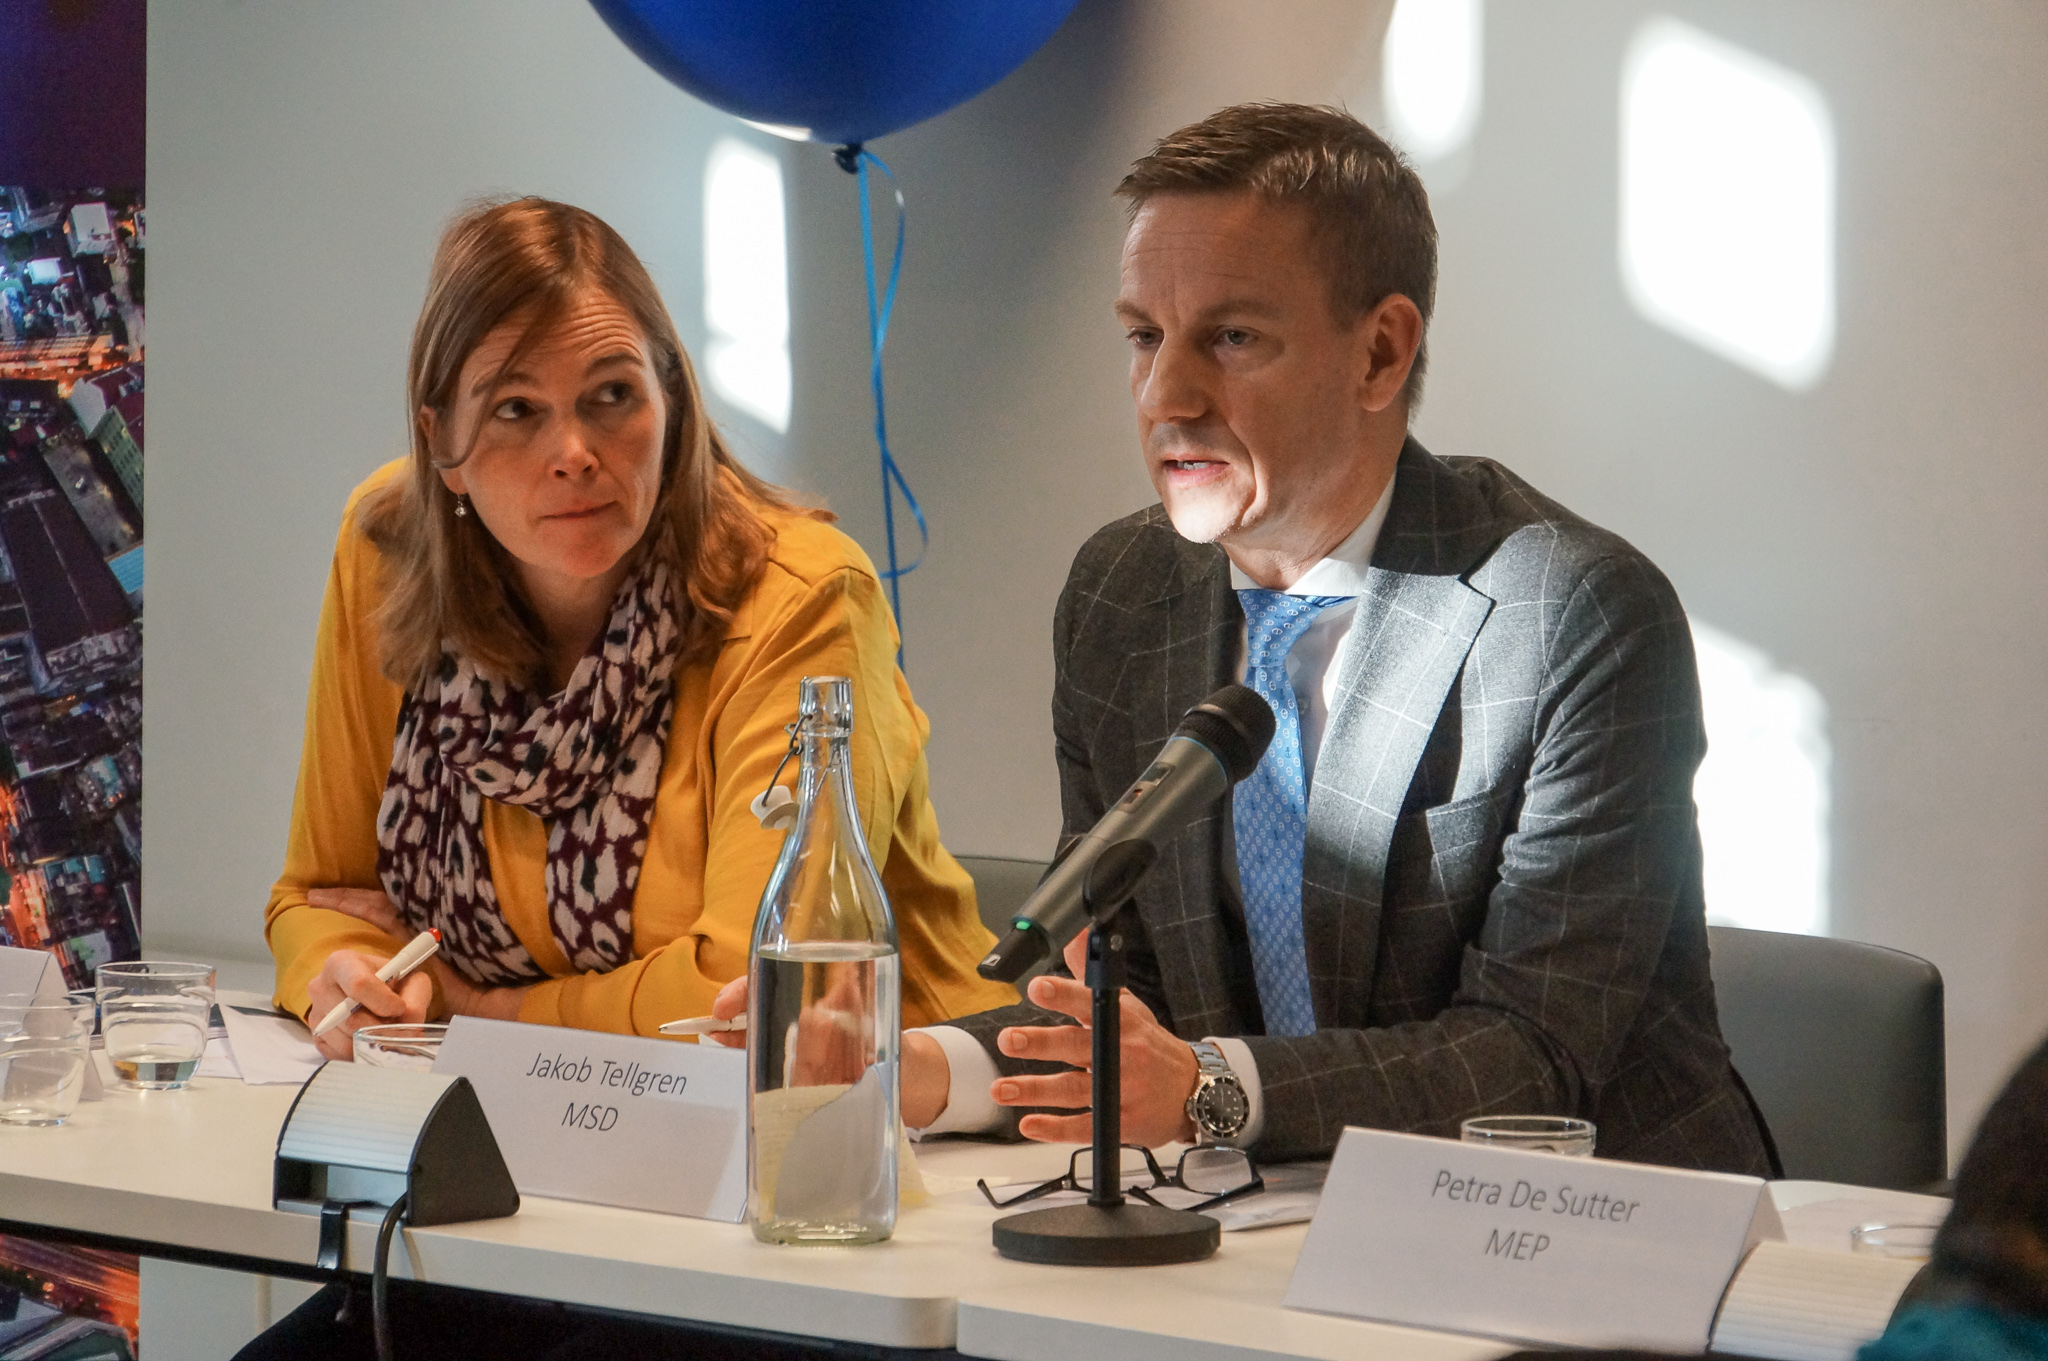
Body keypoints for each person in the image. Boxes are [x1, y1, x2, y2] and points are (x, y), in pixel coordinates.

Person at [717, 103, 1770, 1174]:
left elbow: (1530, 1060)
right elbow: (1131, 999)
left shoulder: (1570, 614)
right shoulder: (1121, 591)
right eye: (1143, 336)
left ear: (1380, 353)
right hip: (1270, 1205)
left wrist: (1207, 1090)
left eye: (1231, 338)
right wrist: (914, 1064)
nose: (1164, 395)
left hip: (1585, 1221)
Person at [264, 196, 1014, 1061]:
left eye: (612, 395)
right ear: (442, 443)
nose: (574, 452)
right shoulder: (391, 543)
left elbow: (747, 991)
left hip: (878, 1107)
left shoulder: (803, 595)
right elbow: (321, 896)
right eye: (516, 408)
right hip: (535, 1102)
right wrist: (344, 978)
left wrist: (477, 1013)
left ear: (672, 403)